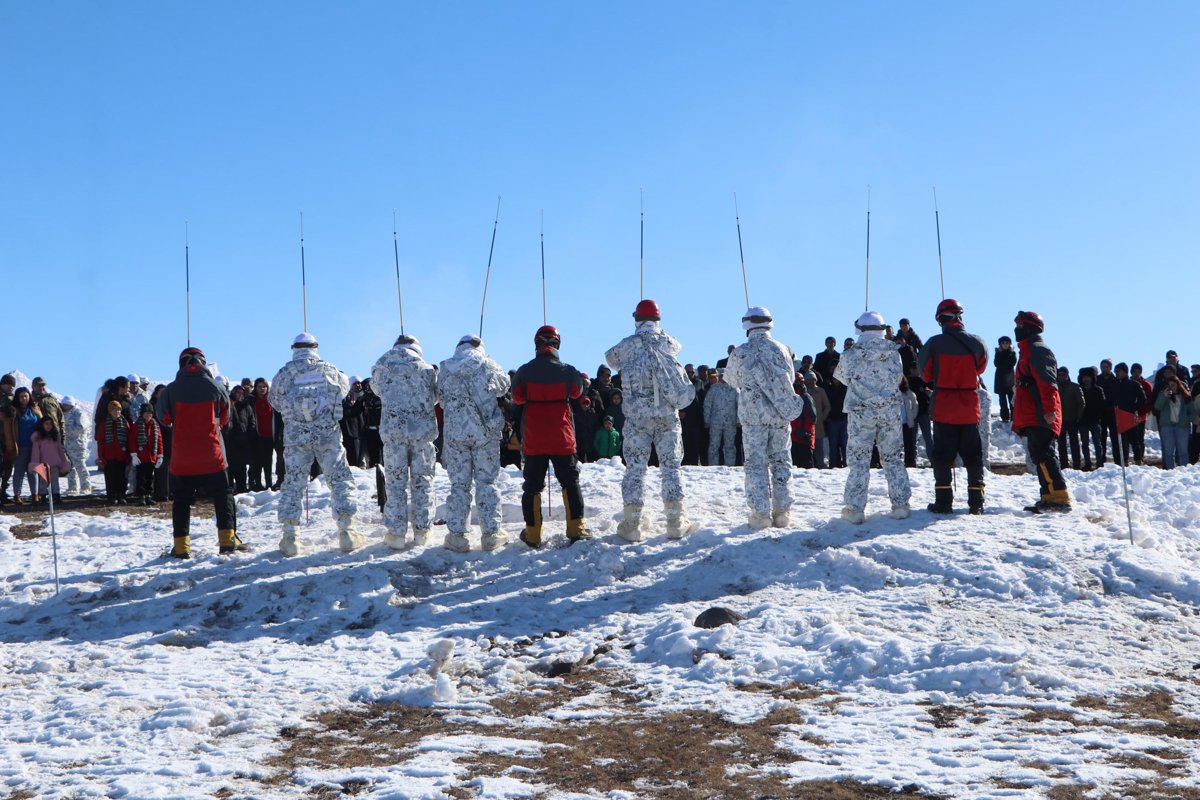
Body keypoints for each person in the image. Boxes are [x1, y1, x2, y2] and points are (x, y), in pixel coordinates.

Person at [605, 299, 699, 542]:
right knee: (670, 467)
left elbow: (609, 359)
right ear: (658, 320)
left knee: (635, 469)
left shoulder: (626, 347)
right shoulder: (668, 343)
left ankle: (632, 523)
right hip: (667, 417)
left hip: (637, 420)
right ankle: (675, 521)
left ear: (636, 319)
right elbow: (678, 346)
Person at [272, 333, 362, 556]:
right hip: (327, 435)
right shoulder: (329, 369)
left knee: (293, 483)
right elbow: (342, 392)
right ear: (315, 348)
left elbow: (274, 401)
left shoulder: (284, 373)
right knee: (339, 479)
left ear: (294, 348)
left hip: (296, 437)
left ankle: (290, 536)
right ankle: (347, 531)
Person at [156, 347, 243, 557]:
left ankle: (181, 547)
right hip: (212, 455)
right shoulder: (216, 386)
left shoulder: (170, 390)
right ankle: (228, 540)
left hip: (183, 457)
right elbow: (225, 419)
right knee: (223, 497)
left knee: (181, 502)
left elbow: (163, 418)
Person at [724, 306, 805, 529]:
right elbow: (789, 378)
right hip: (779, 416)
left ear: (746, 325)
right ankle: (783, 513)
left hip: (753, 419)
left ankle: (760, 515)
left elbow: (730, 380)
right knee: (781, 462)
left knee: (756, 464)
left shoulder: (740, 352)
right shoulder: (782, 349)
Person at [512, 324, 590, 546]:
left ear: (536, 344)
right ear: (557, 344)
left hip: (535, 438)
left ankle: (533, 534)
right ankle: (576, 529)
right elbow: (577, 392)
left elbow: (517, 398)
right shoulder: (568, 370)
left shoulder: (524, 371)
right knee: (570, 482)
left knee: (532, 486)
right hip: (561, 437)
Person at [834, 311, 912, 523]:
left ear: (859, 329)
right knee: (893, 457)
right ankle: (900, 504)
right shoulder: (894, 353)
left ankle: (855, 509)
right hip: (889, 412)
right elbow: (897, 378)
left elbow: (841, 377)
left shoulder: (850, 355)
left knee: (859, 459)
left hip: (861, 412)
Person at [438, 334, 509, 552]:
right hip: (485, 434)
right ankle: (491, 534)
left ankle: (457, 536)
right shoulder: (488, 363)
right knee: (486, 483)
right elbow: (504, 387)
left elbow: (440, 399)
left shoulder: (445, 368)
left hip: (455, 435)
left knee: (459, 485)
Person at [917, 298, 988, 514]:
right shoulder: (977, 343)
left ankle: (944, 502)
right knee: (973, 458)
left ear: (940, 319)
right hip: (969, 408)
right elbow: (981, 369)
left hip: (944, 408)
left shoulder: (933, 344)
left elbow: (925, 375)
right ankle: (976, 503)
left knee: (942, 458)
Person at [371, 334, 439, 548]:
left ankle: (396, 534)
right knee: (423, 481)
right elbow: (436, 396)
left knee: (395, 484)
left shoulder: (382, 368)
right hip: (422, 433)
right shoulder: (428, 370)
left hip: (393, 435)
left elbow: (376, 389)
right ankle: (422, 531)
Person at [1011, 311, 1070, 513]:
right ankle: (1048, 496)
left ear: (1029, 327)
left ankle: (1059, 497)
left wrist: (1050, 410)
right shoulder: (1028, 351)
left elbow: (1048, 384)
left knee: (1044, 453)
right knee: (1038, 453)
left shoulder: (1038, 350)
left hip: (1041, 413)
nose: (1017, 329)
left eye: (1020, 325)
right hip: (1032, 413)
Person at [1154, 366, 1193, 469]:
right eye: (1169, 385)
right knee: (1168, 452)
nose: (1172, 387)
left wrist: (1188, 420)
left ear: (1178, 384)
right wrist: (1164, 396)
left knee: (1183, 451)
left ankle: (1184, 471)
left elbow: (1192, 410)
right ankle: (1170, 472)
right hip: (1167, 426)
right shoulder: (1164, 394)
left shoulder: (1185, 396)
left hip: (1182, 426)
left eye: (1173, 385)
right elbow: (1157, 407)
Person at [96, 400, 131, 506]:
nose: (117, 412)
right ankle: (112, 496)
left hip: (122, 455)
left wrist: (129, 455)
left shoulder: (125, 422)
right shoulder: (104, 423)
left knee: (122, 477)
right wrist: (101, 456)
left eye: (119, 409)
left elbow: (129, 439)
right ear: (110, 411)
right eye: (115, 410)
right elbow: (100, 440)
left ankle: (121, 495)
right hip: (109, 455)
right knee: (111, 477)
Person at [128, 404, 165, 505]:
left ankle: (148, 495)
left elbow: (160, 441)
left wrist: (160, 455)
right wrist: (134, 455)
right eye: (146, 413)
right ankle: (141, 496)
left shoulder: (155, 425)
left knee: (150, 477)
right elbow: (132, 440)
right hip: (141, 457)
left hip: (152, 456)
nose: (148, 415)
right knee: (141, 477)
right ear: (142, 414)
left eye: (150, 413)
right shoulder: (137, 425)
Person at [29, 415, 71, 503]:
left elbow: (60, 449)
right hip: (43, 464)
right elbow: (36, 451)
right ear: (42, 425)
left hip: (55, 462)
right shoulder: (38, 437)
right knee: (43, 481)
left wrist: (63, 461)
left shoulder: (55, 436)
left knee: (55, 480)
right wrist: (35, 463)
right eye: (46, 424)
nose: (49, 426)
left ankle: (56, 496)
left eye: (50, 424)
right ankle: (43, 496)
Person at [703, 368, 739, 467]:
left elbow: (739, 405)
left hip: (730, 422)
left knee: (729, 445)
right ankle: (713, 465)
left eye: (725, 375)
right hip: (715, 422)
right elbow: (707, 405)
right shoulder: (714, 389)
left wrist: (738, 420)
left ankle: (730, 465)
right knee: (714, 445)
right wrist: (707, 420)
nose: (723, 378)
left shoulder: (734, 389)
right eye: (721, 376)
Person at [58, 396, 93, 496]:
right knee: (70, 467)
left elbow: (81, 427)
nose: (64, 406)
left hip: (77, 445)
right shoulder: (64, 414)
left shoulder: (79, 413)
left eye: (65, 404)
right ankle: (72, 487)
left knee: (80, 466)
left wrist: (66, 430)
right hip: (67, 445)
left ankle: (86, 486)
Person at [249, 378, 277, 490]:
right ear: (255, 388)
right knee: (257, 462)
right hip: (257, 436)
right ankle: (258, 483)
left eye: (264, 387)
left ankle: (269, 483)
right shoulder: (252, 401)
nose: (262, 389)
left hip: (269, 436)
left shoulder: (272, 400)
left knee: (268, 461)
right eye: (259, 387)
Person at [1077, 367, 1106, 471]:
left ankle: (1099, 462)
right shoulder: (1078, 389)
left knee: (1097, 443)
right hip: (1083, 421)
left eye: (1088, 377)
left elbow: (1102, 405)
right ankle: (1087, 463)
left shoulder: (1098, 390)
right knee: (1085, 444)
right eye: (1084, 377)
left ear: (1092, 378)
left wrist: (1099, 417)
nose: (1086, 379)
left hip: (1095, 420)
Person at [1056, 367, 1085, 471]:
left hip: (1072, 420)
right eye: (1059, 374)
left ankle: (1077, 465)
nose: (1061, 377)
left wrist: (1078, 418)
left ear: (1067, 375)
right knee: (1061, 444)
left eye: (1063, 374)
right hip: (1060, 421)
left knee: (1074, 444)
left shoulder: (1075, 387)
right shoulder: (1055, 388)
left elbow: (1081, 404)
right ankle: (1064, 465)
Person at [993, 336, 1016, 422]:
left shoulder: (1012, 353)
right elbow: (997, 363)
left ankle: (1014, 419)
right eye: (1003, 343)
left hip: (1010, 381)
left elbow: (1013, 363)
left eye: (1007, 343)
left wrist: (1011, 353)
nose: (1005, 344)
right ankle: (1005, 418)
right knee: (1002, 402)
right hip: (1000, 381)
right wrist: (1001, 354)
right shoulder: (998, 353)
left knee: (1012, 402)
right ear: (1000, 344)